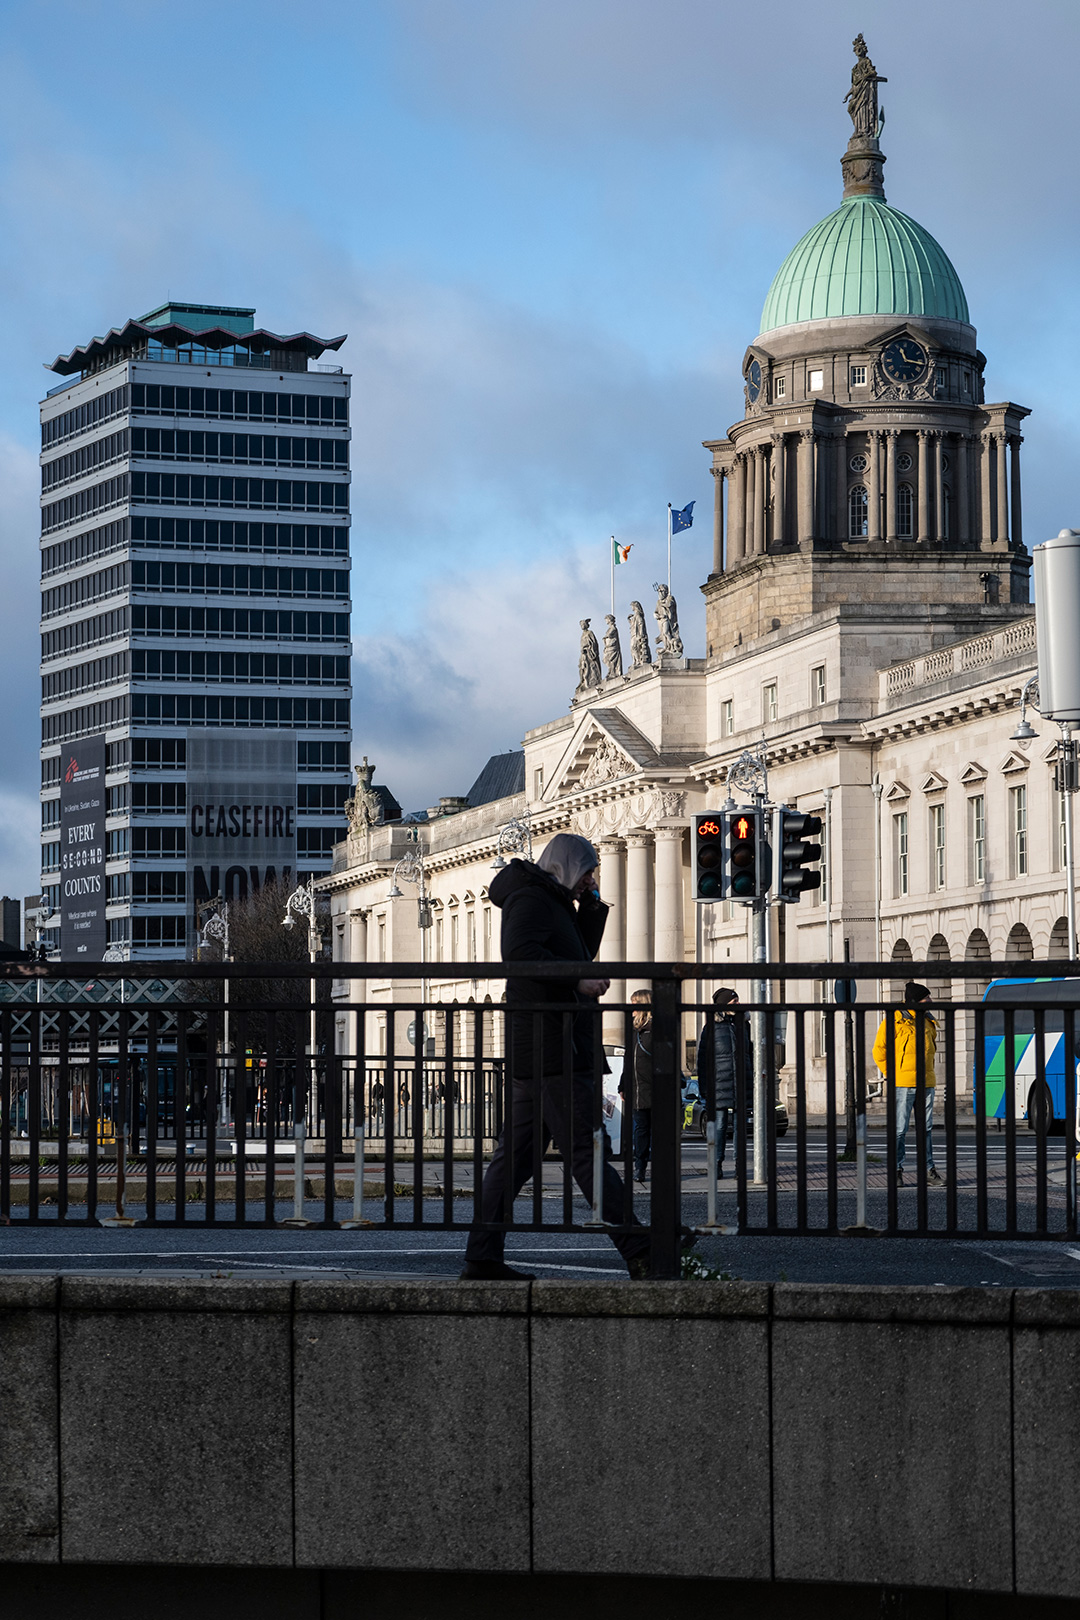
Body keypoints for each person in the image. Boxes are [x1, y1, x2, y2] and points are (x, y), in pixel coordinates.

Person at [460, 832, 651, 1280]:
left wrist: (592, 905)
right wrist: (576, 980)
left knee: (516, 1161)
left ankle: (482, 1257)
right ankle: (641, 1249)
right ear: (565, 867)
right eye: (587, 871)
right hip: (551, 1046)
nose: (591, 879)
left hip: (550, 1045)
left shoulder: (554, 901)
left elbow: (579, 951)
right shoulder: (531, 899)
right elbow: (520, 956)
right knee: (585, 1149)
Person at [872, 981, 941, 1186]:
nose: (930, 1000)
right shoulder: (895, 1020)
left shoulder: (928, 1021)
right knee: (900, 1129)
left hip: (926, 1082)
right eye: (926, 997)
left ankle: (928, 1170)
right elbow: (879, 1050)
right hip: (903, 1083)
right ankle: (896, 1171)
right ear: (915, 1000)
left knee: (925, 1129)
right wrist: (892, 1074)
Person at [694, 989, 752, 1179]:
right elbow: (703, 1060)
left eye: (738, 1000)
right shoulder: (711, 1027)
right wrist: (704, 1088)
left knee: (740, 1127)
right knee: (719, 1126)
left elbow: (750, 1054)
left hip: (740, 1083)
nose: (738, 1004)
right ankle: (716, 1164)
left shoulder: (743, 1024)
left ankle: (739, 1166)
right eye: (734, 1002)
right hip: (719, 1084)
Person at [618, 990, 653, 1184]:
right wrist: (622, 1085)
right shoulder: (633, 1031)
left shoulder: (656, 1029)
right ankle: (640, 1167)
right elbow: (627, 1061)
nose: (631, 1009)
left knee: (654, 1131)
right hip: (636, 1089)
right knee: (641, 1131)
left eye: (634, 1004)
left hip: (654, 1088)